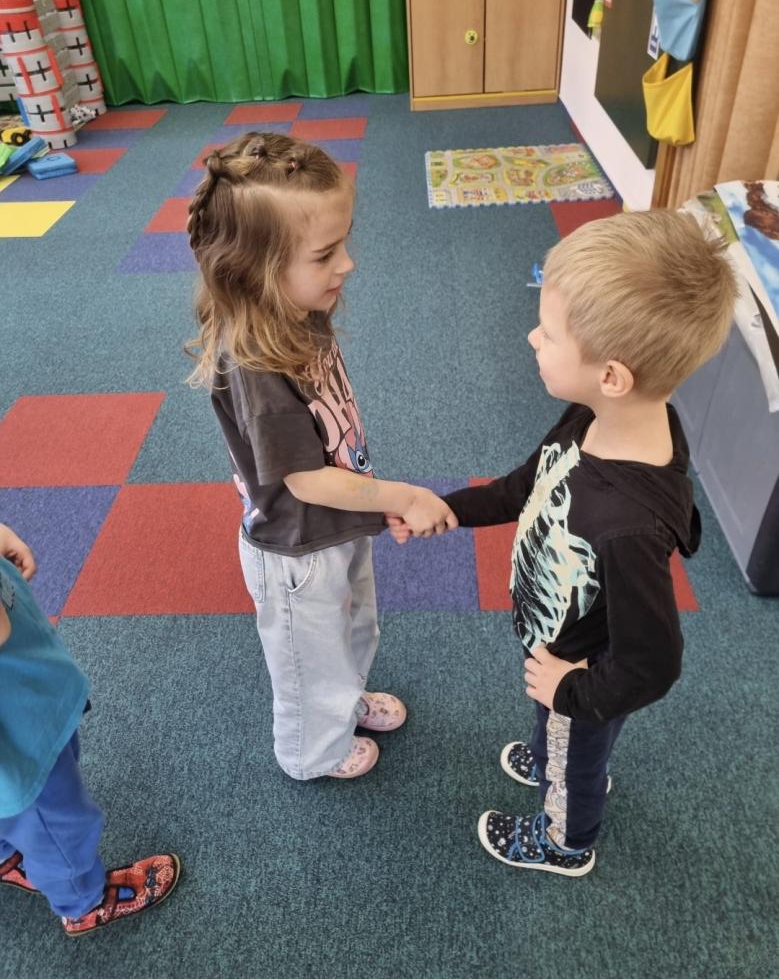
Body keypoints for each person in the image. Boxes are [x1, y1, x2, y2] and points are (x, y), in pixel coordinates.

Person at [387, 209, 736, 875]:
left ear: (612, 375)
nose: (531, 337)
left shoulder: (627, 526)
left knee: (577, 757)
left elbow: (652, 664)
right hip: (560, 645)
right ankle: (559, 747)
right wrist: (449, 508)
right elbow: (529, 484)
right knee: (560, 727)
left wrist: (573, 693)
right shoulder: (596, 416)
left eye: (547, 333)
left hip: (584, 672)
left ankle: (564, 839)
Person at [186, 131, 456, 781]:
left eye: (344, 243)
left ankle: (342, 701)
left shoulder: (297, 309)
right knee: (309, 660)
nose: (348, 264)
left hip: (335, 522)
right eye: (326, 254)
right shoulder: (254, 364)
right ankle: (313, 751)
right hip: (295, 551)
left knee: (353, 627)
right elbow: (305, 480)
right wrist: (401, 495)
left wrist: (367, 503)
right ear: (255, 270)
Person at [0, 523, 180, 934]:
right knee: (57, 823)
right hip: (19, 742)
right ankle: (82, 901)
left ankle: (6, 853)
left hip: (24, 697)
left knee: (23, 814)